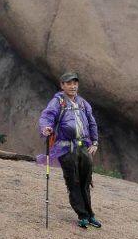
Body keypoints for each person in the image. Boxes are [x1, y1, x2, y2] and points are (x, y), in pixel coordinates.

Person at [39, 72, 102, 229]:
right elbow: (47, 116)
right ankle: (82, 215)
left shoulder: (83, 103)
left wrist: (95, 142)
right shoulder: (58, 102)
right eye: (69, 83)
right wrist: (46, 127)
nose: (73, 86)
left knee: (86, 181)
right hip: (65, 147)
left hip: (83, 146)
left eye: (75, 83)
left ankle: (90, 214)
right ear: (62, 85)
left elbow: (92, 123)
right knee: (73, 181)